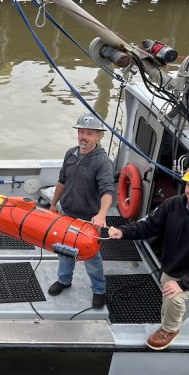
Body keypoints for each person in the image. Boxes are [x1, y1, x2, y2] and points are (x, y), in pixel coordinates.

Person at [108, 162, 189, 350]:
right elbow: (148, 225)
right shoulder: (173, 204)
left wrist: (182, 284)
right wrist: (123, 232)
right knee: (167, 290)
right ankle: (168, 314)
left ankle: (170, 329)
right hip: (172, 267)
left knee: (174, 297)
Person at [47, 113, 114, 309]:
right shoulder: (70, 154)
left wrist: (101, 215)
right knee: (64, 250)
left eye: (89, 133)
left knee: (92, 257)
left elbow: (108, 191)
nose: (84, 137)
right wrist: (53, 205)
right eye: (81, 132)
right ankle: (64, 280)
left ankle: (99, 290)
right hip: (67, 213)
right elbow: (61, 180)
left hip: (88, 220)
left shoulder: (102, 162)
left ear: (99, 136)